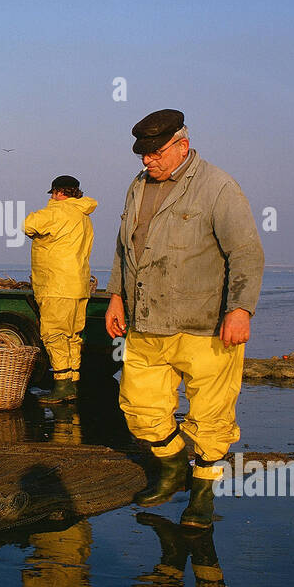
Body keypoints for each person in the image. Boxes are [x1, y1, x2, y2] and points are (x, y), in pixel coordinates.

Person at [105, 109, 264, 527]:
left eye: (155, 152)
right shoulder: (137, 187)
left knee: (212, 417)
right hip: (146, 321)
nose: (146, 161)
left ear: (182, 145)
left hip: (206, 324)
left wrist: (240, 309)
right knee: (138, 406)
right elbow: (125, 248)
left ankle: (202, 497)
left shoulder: (218, 187)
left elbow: (245, 251)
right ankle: (174, 464)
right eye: (142, 153)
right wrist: (115, 297)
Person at [22, 175, 98, 404]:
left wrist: (52, 206)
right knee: (73, 336)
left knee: (54, 335)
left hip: (56, 286)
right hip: (79, 286)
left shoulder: (56, 212)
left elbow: (28, 224)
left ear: (57, 192)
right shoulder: (84, 216)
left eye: (53, 194)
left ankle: (62, 386)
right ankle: (73, 383)